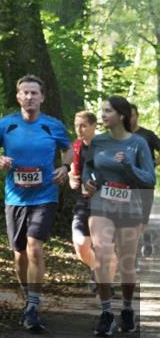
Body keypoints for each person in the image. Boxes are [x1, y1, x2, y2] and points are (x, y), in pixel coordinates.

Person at [0, 74, 72, 333]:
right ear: (18, 97)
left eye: (34, 93)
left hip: (45, 195)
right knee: (19, 254)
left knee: (34, 248)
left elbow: (68, 149)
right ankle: (27, 295)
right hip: (15, 197)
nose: (29, 97)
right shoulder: (5, 125)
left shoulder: (52, 125)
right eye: (25, 93)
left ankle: (32, 305)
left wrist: (65, 167)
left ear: (42, 97)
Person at [82, 96, 156, 335]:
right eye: (102, 110)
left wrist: (128, 167)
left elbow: (149, 179)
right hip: (102, 204)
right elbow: (88, 169)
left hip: (130, 208)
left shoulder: (138, 143)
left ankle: (126, 308)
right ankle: (105, 313)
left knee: (126, 264)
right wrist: (88, 184)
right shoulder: (98, 142)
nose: (103, 115)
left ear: (121, 116)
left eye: (108, 111)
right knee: (102, 255)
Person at [68, 111, 98, 278]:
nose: (79, 129)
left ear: (94, 126)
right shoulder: (75, 147)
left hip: (105, 202)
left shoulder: (106, 146)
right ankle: (96, 268)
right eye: (76, 125)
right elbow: (71, 171)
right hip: (83, 201)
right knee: (80, 245)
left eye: (83, 125)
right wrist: (71, 178)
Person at [130, 104, 160, 258]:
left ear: (137, 116)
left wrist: (154, 163)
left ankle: (145, 237)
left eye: (132, 115)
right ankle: (133, 257)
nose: (130, 118)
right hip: (126, 185)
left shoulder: (147, 135)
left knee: (142, 219)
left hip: (146, 183)